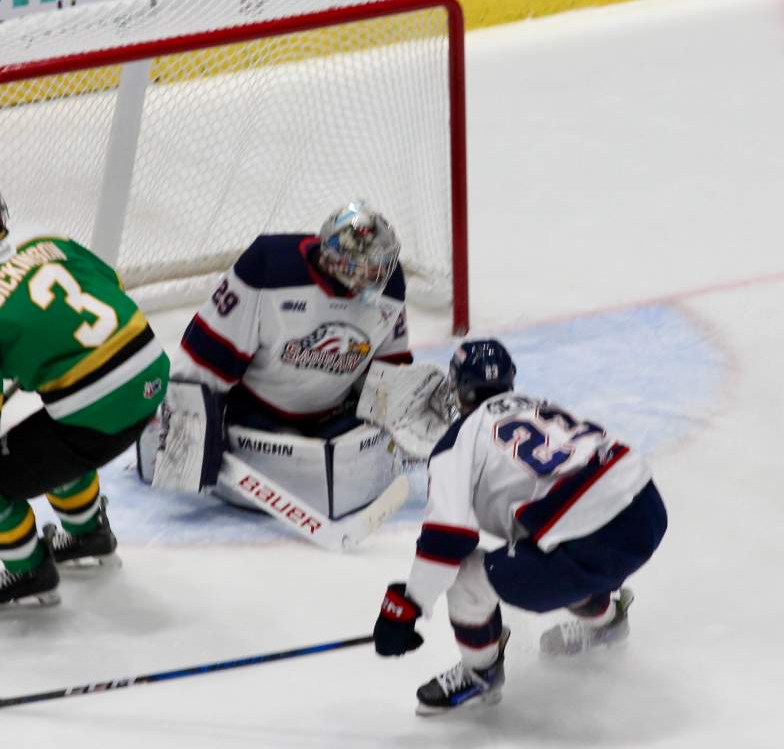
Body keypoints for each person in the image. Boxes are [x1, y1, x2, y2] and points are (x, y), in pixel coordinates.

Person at [0, 170, 170, 610]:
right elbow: (109, 285)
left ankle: (29, 573)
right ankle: (88, 535)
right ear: (1, 211)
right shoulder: (45, 238)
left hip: (98, 414)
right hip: (152, 377)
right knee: (53, 441)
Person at [372, 339, 667, 715]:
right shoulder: (540, 404)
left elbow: (445, 543)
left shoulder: (456, 443)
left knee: (469, 578)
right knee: (544, 546)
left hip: (589, 541)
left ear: (458, 389)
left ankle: (480, 675)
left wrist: (408, 605)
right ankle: (607, 620)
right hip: (646, 508)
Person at [137, 200, 415, 523]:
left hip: (332, 414)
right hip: (256, 411)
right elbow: (207, 351)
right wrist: (189, 426)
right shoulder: (269, 267)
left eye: (383, 265)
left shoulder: (389, 286)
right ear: (337, 259)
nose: (380, 275)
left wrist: (398, 419)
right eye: (369, 266)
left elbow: (389, 367)